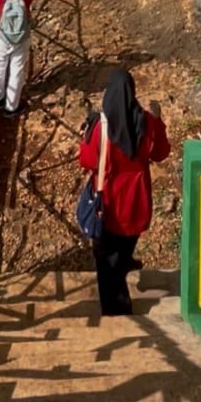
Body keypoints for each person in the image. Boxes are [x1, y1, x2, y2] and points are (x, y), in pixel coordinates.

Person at [78, 68, 171, 316]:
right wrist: (158, 123)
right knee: (126, 242)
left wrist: (85, 136)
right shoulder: (148, 123)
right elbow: (161, 153)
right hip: (138, 200)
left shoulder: (100, 129)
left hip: (108, 204)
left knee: (106, 263)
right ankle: (125, 260)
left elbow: (86, 160)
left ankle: (117, 308)